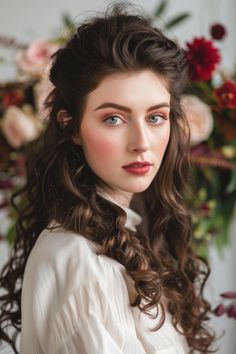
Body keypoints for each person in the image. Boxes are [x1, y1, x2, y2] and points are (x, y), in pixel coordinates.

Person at [0, 3, 215, 354]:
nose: (142, 143)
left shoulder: (126, 234)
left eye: (156, 117)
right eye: (114, 119)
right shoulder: (77, 260)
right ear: (71, 126)